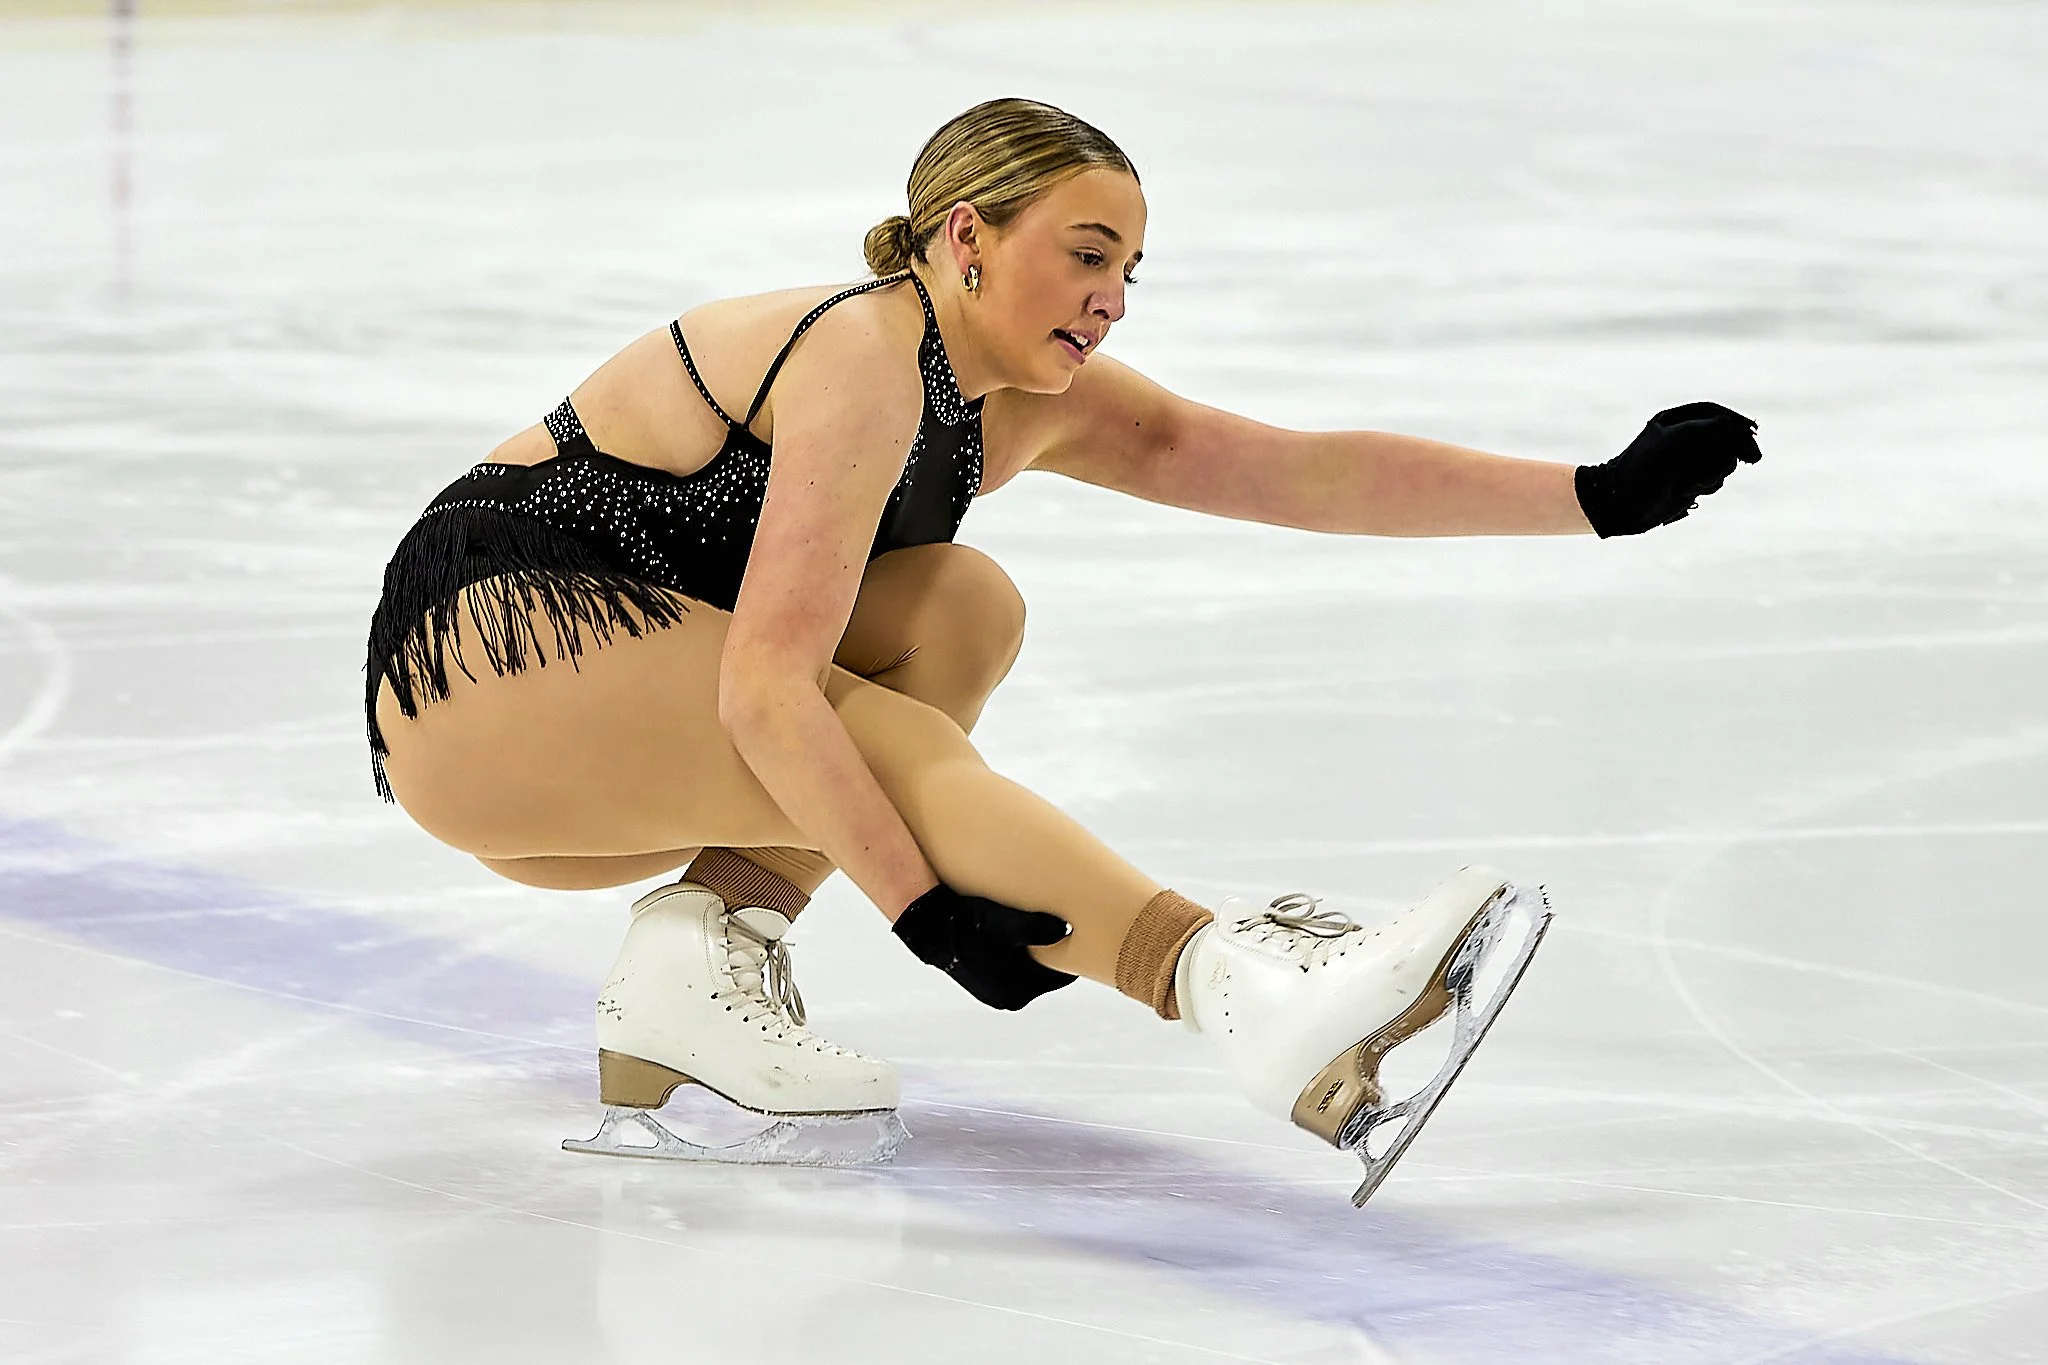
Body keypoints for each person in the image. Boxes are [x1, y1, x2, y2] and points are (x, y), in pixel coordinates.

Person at [363, 97, 1761, 1201]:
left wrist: (1592, 498)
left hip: (607, 705)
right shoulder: (860, 352)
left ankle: (696, 960)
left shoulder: (1021, 399)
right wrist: (920, 906)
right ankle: (1242, 996)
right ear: (965, 236)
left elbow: (1304, 475)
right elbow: (769, 692)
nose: (1112, 297)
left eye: (1130, 269)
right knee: (864, 731)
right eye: (1085, 255)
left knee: (963, 607)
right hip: (489, 664)